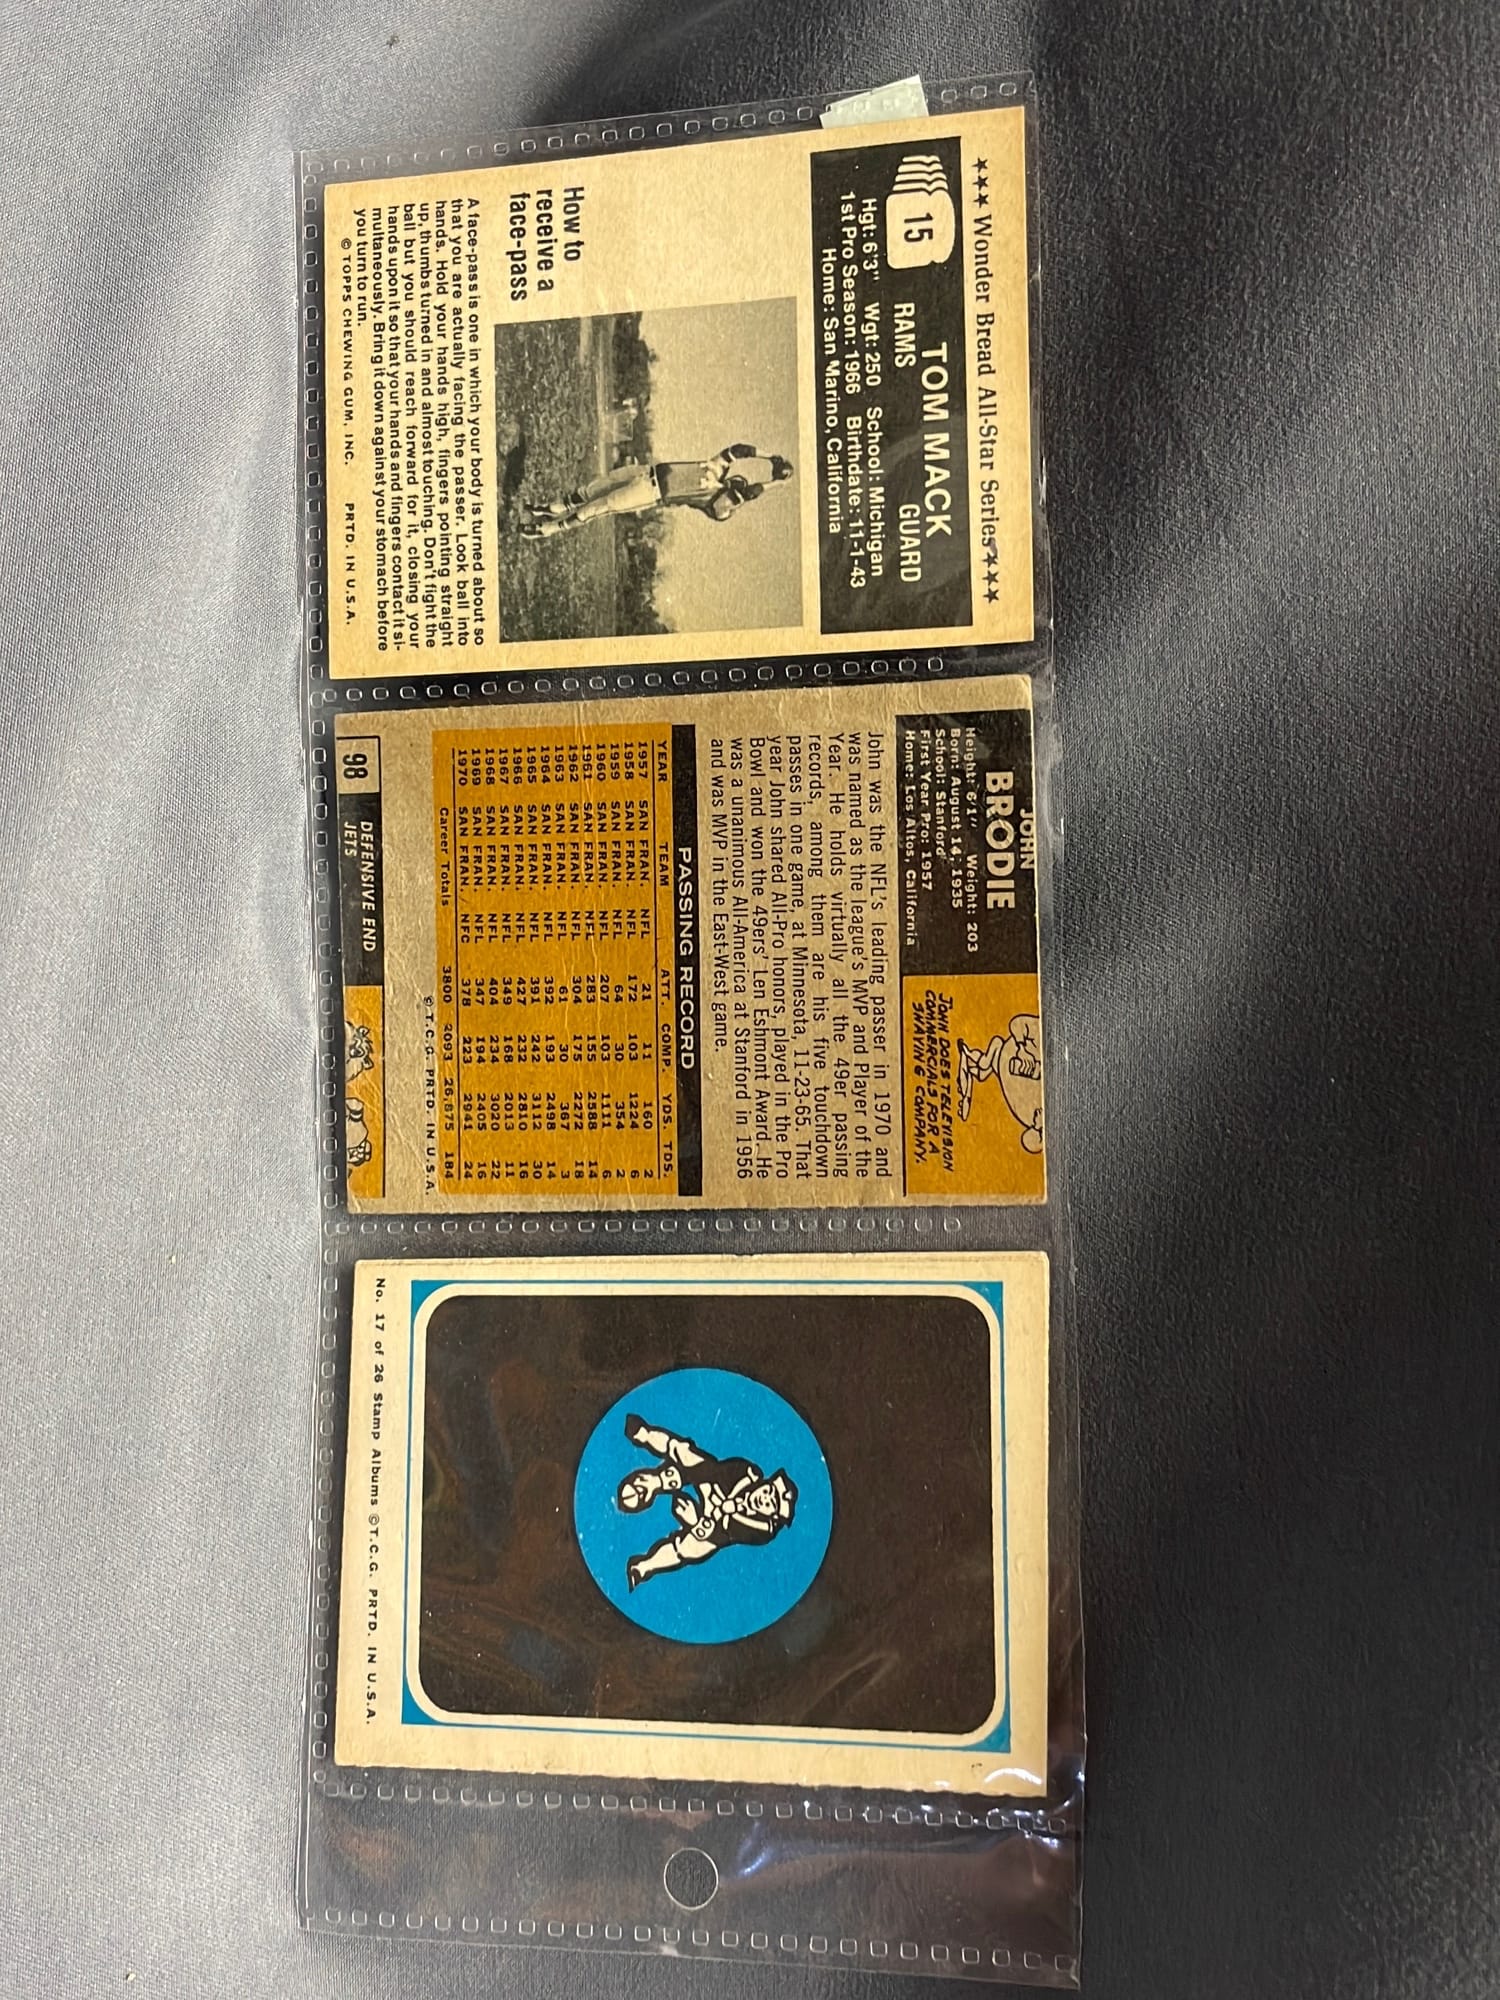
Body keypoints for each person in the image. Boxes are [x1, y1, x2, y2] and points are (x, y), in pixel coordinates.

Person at [614, 1412, 797, 1590]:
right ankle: (646, 1444)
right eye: (768, 1491)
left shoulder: (762, 1532)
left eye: (770, 1504)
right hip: (711, 1483)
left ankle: (644, 1567)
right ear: (764, 1483)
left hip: (716, 1527)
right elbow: (713, 1472)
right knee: (683, 1453)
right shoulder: (746, 1471)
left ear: (770, 1515)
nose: (764, 1498)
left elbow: (724, 1534)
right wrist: (682, 1478)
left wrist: (696, 1522)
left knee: (691, 1548)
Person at [521, 443, 793, 539]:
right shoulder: (715, 468)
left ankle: (547, 529)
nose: (737, 489)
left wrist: (776, 484)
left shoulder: (715, 502)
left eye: (738, 493)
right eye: (738, 485)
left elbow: (752, 492)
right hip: (645, 471)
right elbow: (739, 449)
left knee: (599, 506)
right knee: (592, 489)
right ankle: (549, 509)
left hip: (651, 493)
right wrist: (771, 457)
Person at [956, 1013, 1044, 1153]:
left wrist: (1039, 1127)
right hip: (1004, 1058)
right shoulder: (1040, 1035)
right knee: (984, 1065)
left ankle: (967, 1061)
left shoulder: (1036, 1117)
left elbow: (1029, 1143)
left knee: (983, 1069)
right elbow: (1017, 1023)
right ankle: (967, 1056)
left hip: (1002, 1065)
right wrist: (1022, 1049)